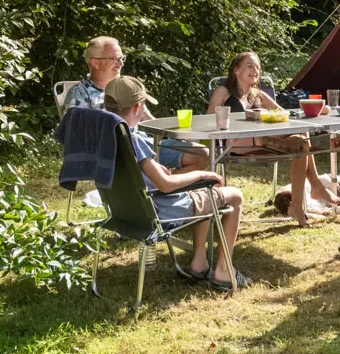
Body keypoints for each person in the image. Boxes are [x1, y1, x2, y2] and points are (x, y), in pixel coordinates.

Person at [104, 76, 249, 290]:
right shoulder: (132, 140)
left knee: (204, 192)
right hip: (160, 210)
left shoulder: (105, 134)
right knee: (234, 195)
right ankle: (224, 271)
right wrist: (201, 175)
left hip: (124, 212)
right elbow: (166, 185)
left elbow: (142, 174)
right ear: (137, 108)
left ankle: (199, 263)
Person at [207, 52, 340, 226]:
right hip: (235, 145)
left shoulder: (258, 95)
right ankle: (316, 187)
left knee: (302, 139)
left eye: (257, 67)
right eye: (250, 66)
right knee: (301, 139)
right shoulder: (223, 92)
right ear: (236, 70)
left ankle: (297, 206)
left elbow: (283, 114)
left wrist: (317, 110)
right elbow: (207, 120)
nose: (255, 70)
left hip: (265, 142)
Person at [65, 36, 207, 174]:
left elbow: (148, 120)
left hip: (144, 145)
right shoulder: (80, 93)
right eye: (113, 59)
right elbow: (78, 133)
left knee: (202, 154)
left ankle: (161, 192)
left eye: (121, 58)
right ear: (95, 63)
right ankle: (159, 187)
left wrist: (173, 135)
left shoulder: (127, 87)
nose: (120, 63)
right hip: (114, 154)